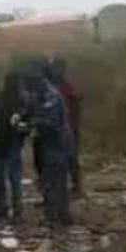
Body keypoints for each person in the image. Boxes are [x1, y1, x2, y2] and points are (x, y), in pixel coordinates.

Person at [24, 67, 74, 228]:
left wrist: (34, 123)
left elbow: (51, 124)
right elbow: (33, 110)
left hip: (57, 143)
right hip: (49, 144)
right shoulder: (40, 94)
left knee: (54, 180)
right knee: (52, 179)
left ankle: (56, 215)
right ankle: (59, 214)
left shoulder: (50, 96)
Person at [0, 71, 28, 220]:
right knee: (14, 177)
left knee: (0, 178)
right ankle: (17, 208)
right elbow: (26, 123)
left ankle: (2, 207)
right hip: (12, 143)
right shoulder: (21, 101)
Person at [46, 57, 84, 197]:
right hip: (65, 127)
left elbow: (78, 97)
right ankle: (71, 187)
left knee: (67, 159)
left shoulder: (60, 87)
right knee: (68, 160)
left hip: (65, 128)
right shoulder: (61, 86)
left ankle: (71, 187)